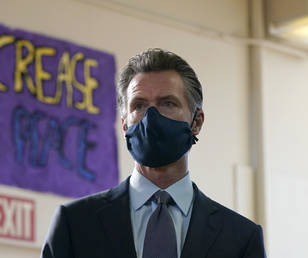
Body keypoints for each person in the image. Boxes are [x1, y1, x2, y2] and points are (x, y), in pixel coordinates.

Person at [41, 48, 266, 258]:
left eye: (167, 103)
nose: (151, 118)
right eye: (139, 105)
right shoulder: (75, 224)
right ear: (124, 125)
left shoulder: (240, 238)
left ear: (196, 122)